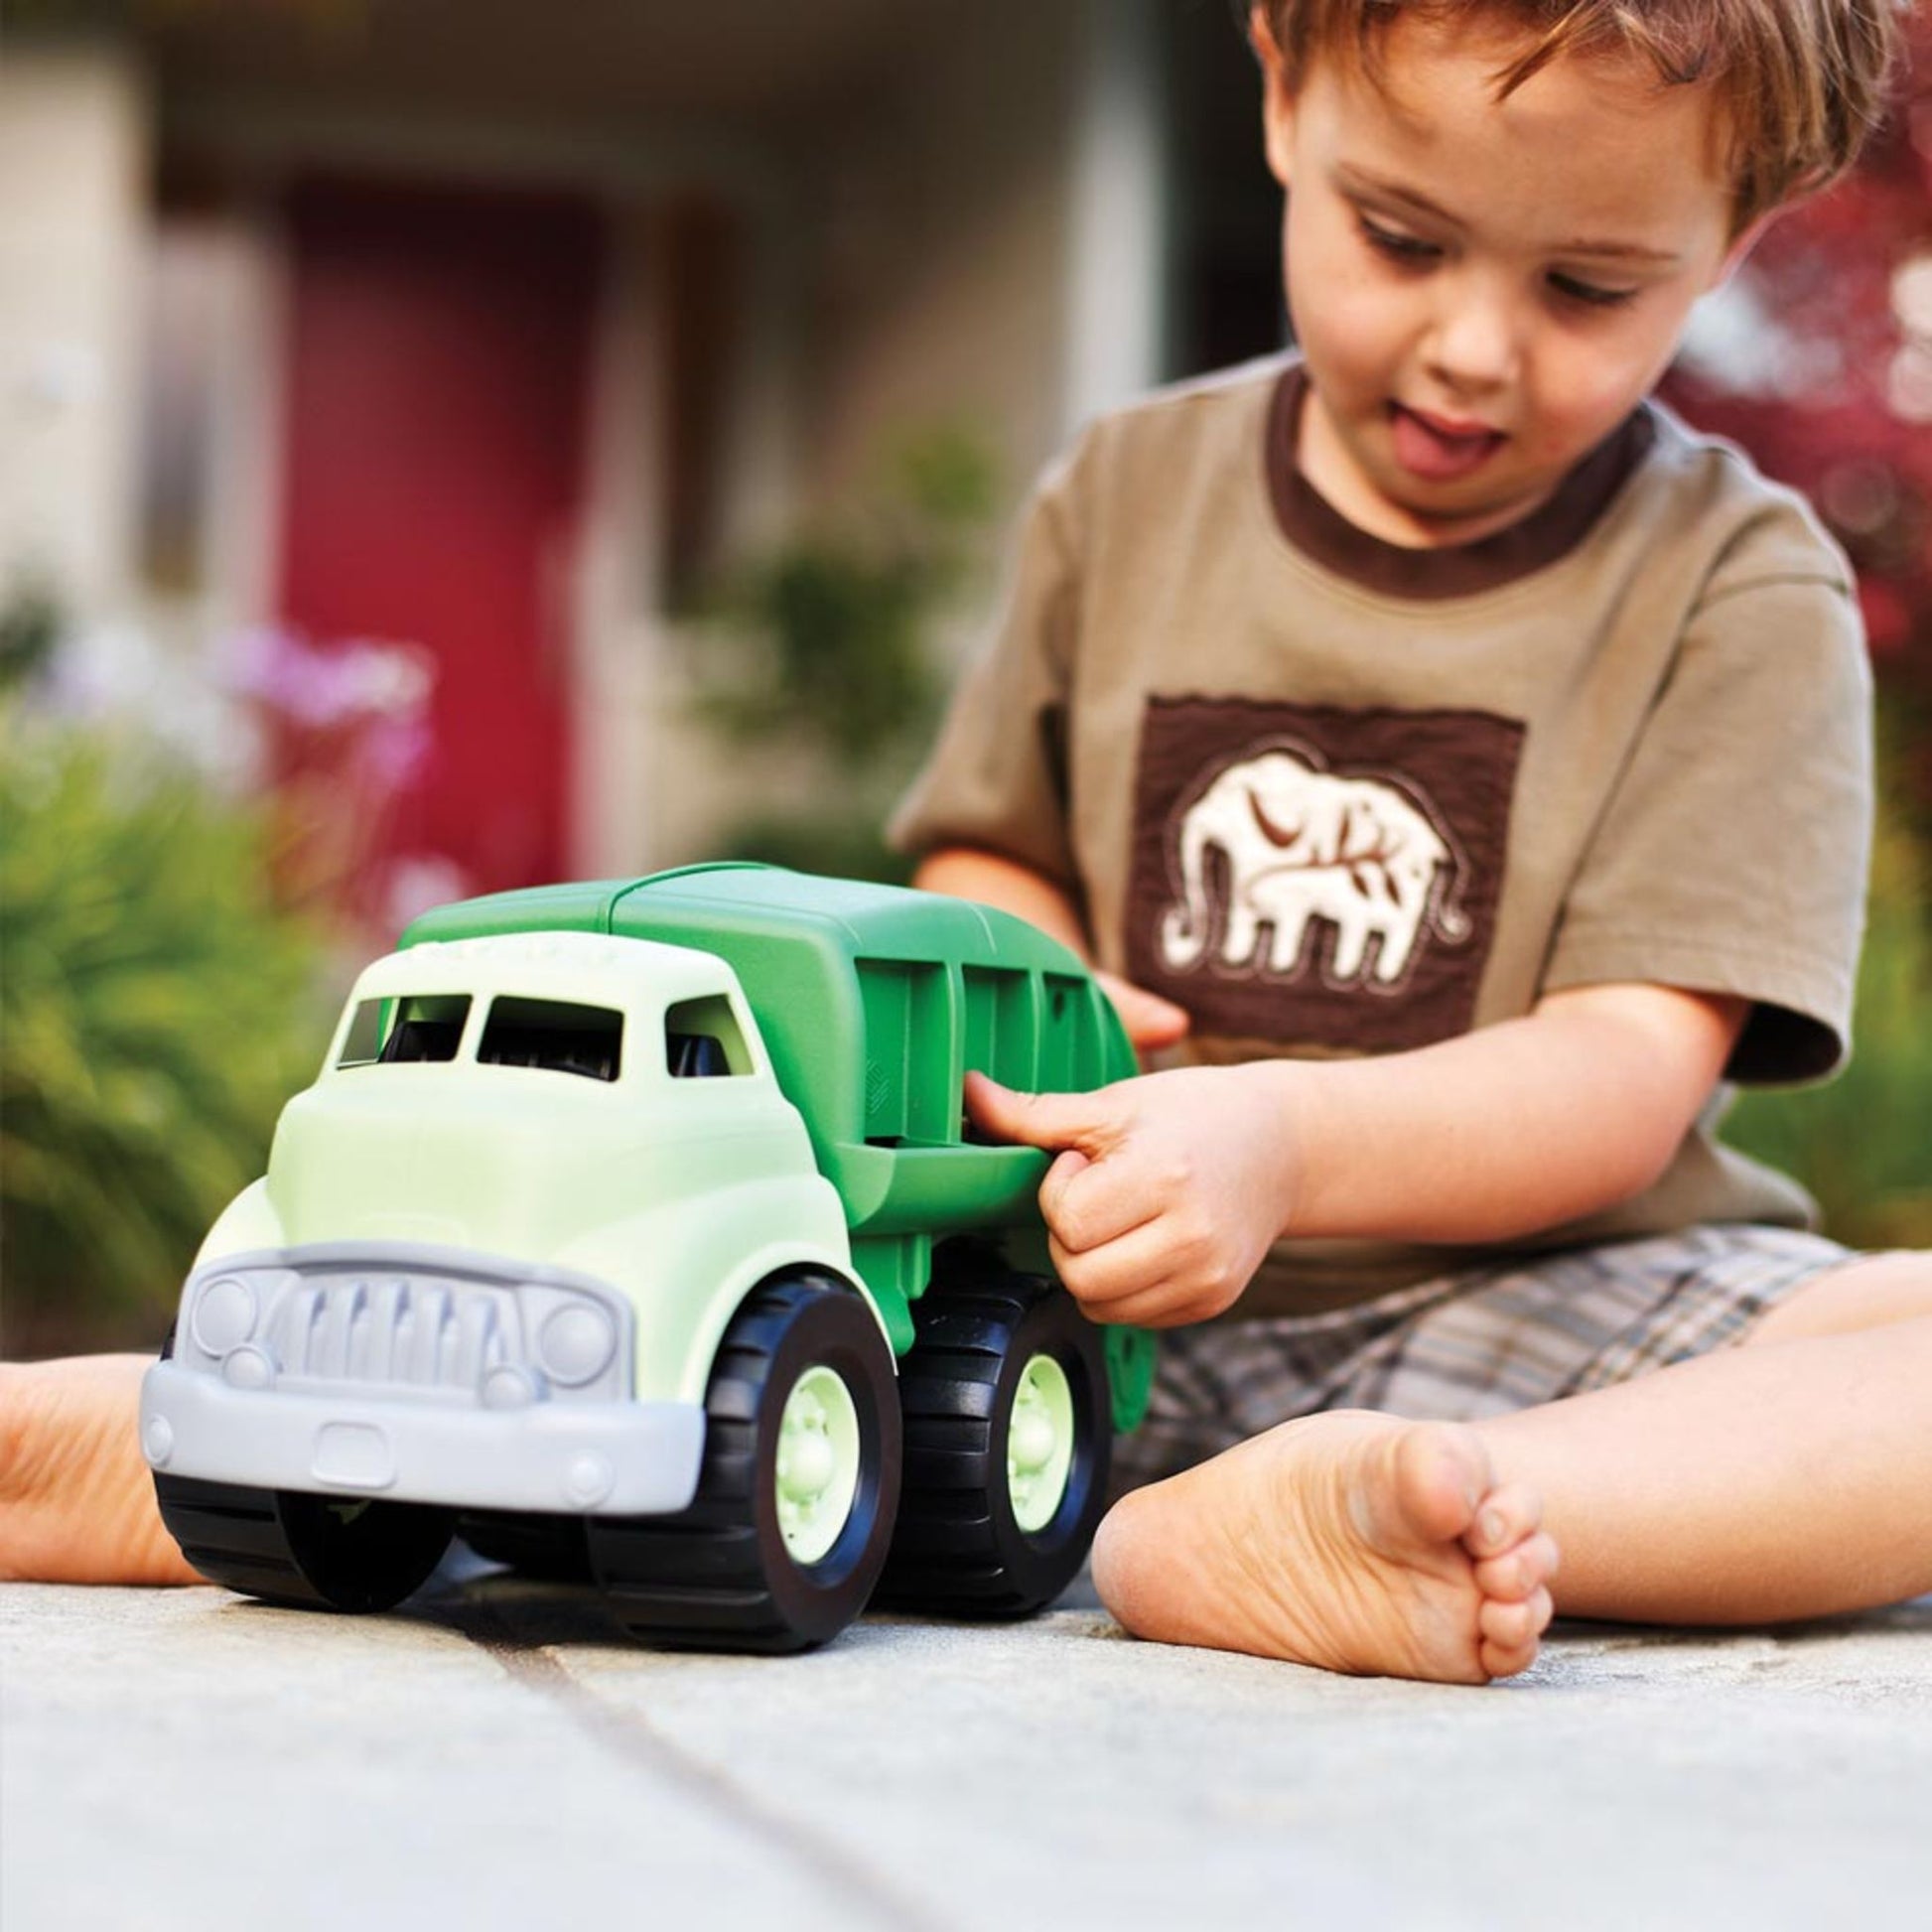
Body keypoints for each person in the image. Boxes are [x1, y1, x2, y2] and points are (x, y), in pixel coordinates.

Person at [892, 0, 1920, 1682]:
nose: (1469, 349)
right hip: (1080, 1309)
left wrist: (1282, 1141)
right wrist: (1043, 991)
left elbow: (1620, 1073)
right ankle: (1276, 1502)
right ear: (1284, 94)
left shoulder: (1734, 589)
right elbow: (986, 855)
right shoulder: (1126, 492)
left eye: (1584, 288)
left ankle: (1405, 1503)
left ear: (1730, 238)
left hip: (1537, 1315)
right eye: (1400, 238)